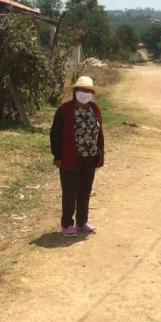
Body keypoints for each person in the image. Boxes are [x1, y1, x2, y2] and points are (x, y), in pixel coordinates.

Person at [50, 76, 105, 238]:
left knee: (84, 191)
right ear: (75, 92)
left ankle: (82, 222)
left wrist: (100, 154)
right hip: (69, 157)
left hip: (90, 157)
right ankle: (67, 223)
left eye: (88, 91)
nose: (85, 93)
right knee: (70, 192)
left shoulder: (95, 109)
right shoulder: (64, 110)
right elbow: (55, 134)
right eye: (82, 90)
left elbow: (99, 133)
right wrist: (57, 156)